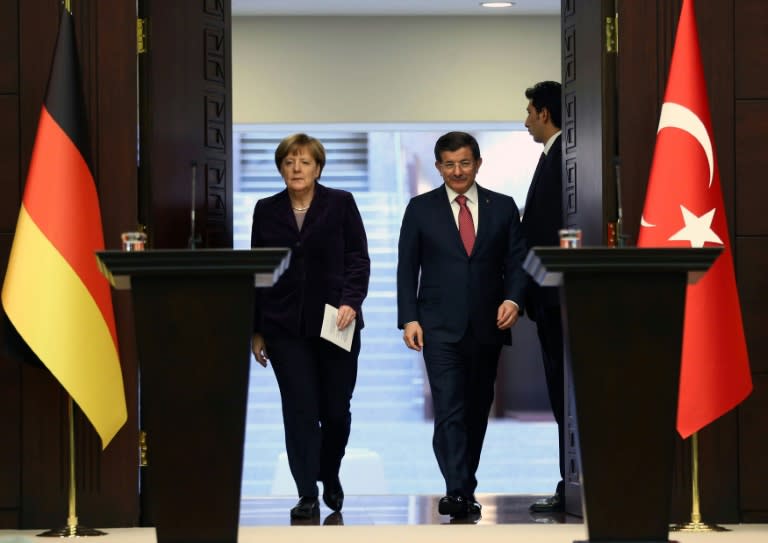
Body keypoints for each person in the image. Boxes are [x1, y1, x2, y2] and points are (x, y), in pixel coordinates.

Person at [396, 131, 528, 518]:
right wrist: (409, 318)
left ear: (478, 163)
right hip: (438, 326)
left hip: (489, 323)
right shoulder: (420, 209)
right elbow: (408, 268)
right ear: (439, 167)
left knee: (475, 408)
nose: (457, 171)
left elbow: (517, 262)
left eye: (464, 163)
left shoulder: (503, 207)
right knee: (450, 408)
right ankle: (457, 490)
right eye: (449, 164)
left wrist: (514, 299)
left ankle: (464, 485)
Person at [250, 133, 370, 520]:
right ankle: (306, 492)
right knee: (299, 410)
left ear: (318, 167)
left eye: (304, 162)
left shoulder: (340, 203)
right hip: (284, 325)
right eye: (289, 162)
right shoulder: (265, 210)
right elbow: (259, 271)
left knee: (336, 410)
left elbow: (358, 258)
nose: (296, 169)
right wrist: (257, 328)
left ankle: (329, 471)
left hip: (337, 319)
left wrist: (351, 300)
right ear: (281, 168)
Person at [521, 80, 566, 513]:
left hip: (559, 299)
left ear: (544, 113)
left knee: (564, 391)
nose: (526, 120)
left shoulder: (565, 159)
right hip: (548, 298)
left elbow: (545, 232)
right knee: (559, 392)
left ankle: (572, 481)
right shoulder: (551, 157)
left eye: (529, 112)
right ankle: (568, 480)